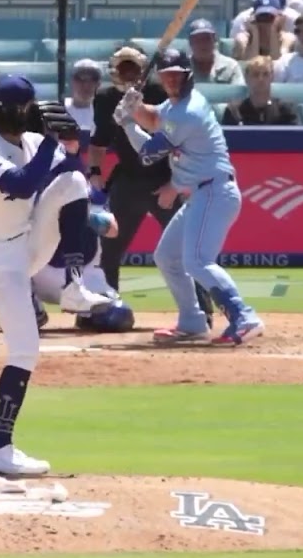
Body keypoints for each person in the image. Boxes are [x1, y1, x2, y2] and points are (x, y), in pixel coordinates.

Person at [0, 76, 114, 475]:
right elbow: (21, 184)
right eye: (26, 110)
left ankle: (74, 287)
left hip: (26, 241)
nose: (32, 117)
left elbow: (71, 171)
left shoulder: (27, 140)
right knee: (25, 350)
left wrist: (70, 140)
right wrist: (49, 141)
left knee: (74, 181)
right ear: (9, 111)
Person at [113, 49, 265, 345]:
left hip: (214, 190)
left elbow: (149, 154)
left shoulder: (189, 111)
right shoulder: (175, 107)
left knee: (197, 260)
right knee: (167, 256)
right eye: (166, 76)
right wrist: (135, 107)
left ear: (188, 76)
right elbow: (155, 118)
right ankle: (192, 321)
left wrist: (128, 123)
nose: (171, 81)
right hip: (201, 193)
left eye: (176, 76)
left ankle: (244, 316)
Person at [89, 46, 216, 327]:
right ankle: (106, 308)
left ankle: (202, 311)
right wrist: (95, 172)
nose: (129, 73)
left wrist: (174, 183)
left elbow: (174, 144)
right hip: (128, 179)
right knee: (108, 246)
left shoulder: (162, 97)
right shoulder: (106, 98)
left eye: (133, 68)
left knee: (187, 250)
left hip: (164, 179)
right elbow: (98, 142)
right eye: (123, 68)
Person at [31, 186, 136, 333]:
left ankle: (88, 316)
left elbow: (112, 230)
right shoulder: (29, 189)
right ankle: (32, 310)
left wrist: (75, 215)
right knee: (2, 261)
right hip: (39, 275)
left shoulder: (84, 191)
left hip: (86, 279)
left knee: (119, 316)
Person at [221, 56, 298, 125]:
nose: (261, 79)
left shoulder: (285, 111)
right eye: (255, 74)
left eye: (265, 74)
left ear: (272, 77)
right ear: (247, 78)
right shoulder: (235, 111)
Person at [187, 19, 245, 85]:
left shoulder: (230, 67)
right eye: (198, 40)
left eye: (207, 39)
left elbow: (238, 93)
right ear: (190, 43)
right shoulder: (183, 68)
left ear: (214, 40)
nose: (203, 44)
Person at [64, 59, 101, 131]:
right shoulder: (59, 109)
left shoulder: (104, 112)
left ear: (98, 84)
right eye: (80, 79)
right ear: (71, 82)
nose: (86, 85)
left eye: (92, 80)